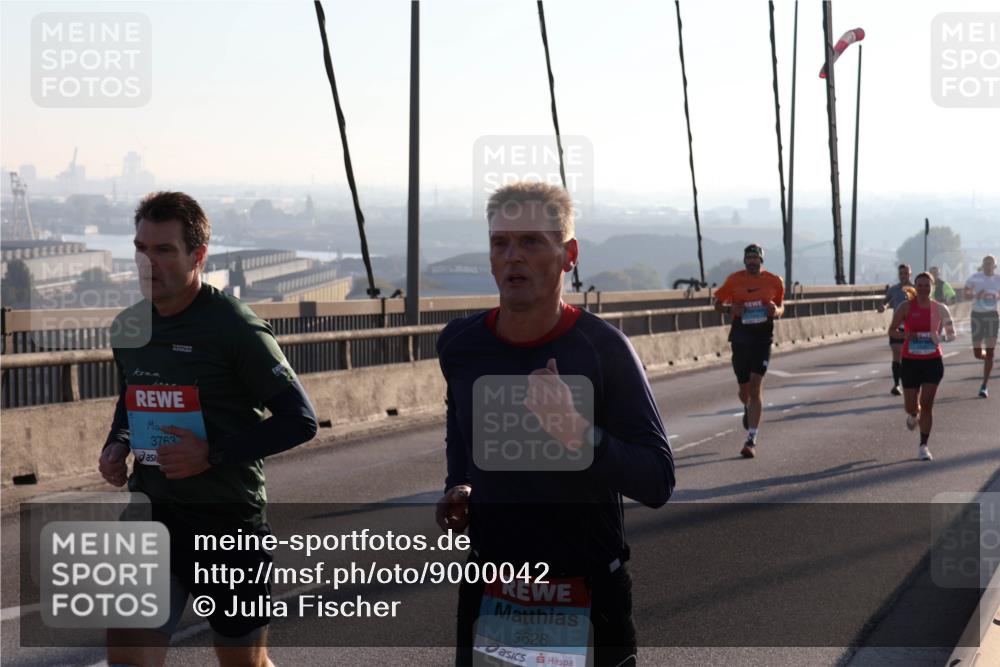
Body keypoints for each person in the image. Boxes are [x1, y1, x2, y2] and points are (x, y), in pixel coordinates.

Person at [435, 181, 674, 667]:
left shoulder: (603, 349)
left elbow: (657, 479)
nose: (512, 257)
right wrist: (458, 482)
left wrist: (578, 435)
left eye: (531, 242)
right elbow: (459, 423)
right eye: (500, 243)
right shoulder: (459, 344)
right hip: (492, 589)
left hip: (585, 592)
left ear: (569, 255)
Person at [98, 191, 318, 667]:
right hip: (150, 515)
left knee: (245, 664)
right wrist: (118, 443)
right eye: (140, 248)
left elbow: (300, 420)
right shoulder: (128, 327)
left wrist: (211, 454)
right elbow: (132, 398)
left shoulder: (235, 326)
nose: (147, 263)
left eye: (163, 250)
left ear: (197, 255)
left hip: (227, 524)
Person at [713, 244, 785, 458]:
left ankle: (751, 439)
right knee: (744, 390)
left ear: (762, 260)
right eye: (749, 258)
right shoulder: (734, 280)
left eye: (756, 258)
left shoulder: (774, 281)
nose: (752, 261)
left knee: (755, 387)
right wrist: (729, 309)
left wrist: (776, 310)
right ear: (744, 260)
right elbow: (717, 304)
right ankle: (747, 407)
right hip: (740, 337)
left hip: (763, 338)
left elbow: (781, 306)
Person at [888, 272, 956, 461]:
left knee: (927, 404)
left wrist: (938, 337)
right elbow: (891, 330)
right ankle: (912, 413)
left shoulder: (940, 308)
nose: (924, 288)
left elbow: (952, 334)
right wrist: (905, 336)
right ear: (915, 287)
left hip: (932, 362)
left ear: (932, 288)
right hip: (910, 362)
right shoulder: (905, 307)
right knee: (912, 406)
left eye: (927, 285)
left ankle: (923, 446)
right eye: (920, 285)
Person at [964, 255, 1000, 398]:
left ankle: (984, 385)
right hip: (977, 315)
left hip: (992, 315)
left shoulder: (998, 279)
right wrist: (975, 295)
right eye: (986, 263)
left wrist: (996, 296)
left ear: (995, 266)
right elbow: (965, 295)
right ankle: (986, 358)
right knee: (978, 353)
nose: (988, 266)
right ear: (982, 265)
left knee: (990, 351)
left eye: (990, 264)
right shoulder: (975, 278)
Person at [878, 264, 914, 395]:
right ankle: (896, 384)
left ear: (910, 274)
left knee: (907, 358)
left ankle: (908, 383)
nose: (903, 276)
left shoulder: (915, 289)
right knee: (896, 355)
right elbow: (885, 302)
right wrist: (883, 306)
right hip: (896, 327)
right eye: (901, 274)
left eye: (906, 273)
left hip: (911, 328)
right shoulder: (894, 289)